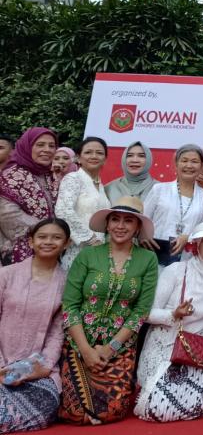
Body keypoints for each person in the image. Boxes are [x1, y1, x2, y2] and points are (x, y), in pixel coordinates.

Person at [59, 197, 158, 425]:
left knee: (112, 411)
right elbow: (70, 305)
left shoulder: (148, 259)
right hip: (79, 341)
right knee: (74, 411)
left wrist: (110, 349)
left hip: (119, 345)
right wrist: (86, 350)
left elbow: (141, 310)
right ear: (107, 224)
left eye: (128, 221)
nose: (120, 226)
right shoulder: (87, 255)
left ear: (137, 227)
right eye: (115, 219)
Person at [134, 221, 203, 422]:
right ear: (196, 244)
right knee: (156, 409)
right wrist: (174, 314)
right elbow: (146, 313)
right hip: (166, 347)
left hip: (201, 351)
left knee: (201, 405)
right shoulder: (176, 270)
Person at [0, 218, 68, 433]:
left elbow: (58, 332)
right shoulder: (6, 274)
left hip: (37, 370)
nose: (48, 242)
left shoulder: (67, 282)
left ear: (66, 243)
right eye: (42, 237)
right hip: (0, 363)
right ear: (31, 242)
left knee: (43, 408)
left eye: (56, 237)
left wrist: (42, 366)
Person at [141, 144, 203, 266]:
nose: (189, 166)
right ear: (176, 164)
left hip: (189, 261)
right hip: (154, 258)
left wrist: (189, 238)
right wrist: (143, 236)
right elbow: (143, 220)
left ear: (202, 166)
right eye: (184, 160)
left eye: (194, 161)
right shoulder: (159, 190)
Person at [0, 127, 59, 265]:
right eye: (40, 145)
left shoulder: (49, 176)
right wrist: (49, 229)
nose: (47, 149)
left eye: (52, 146)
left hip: (50, 249)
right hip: (19, 252)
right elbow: (8, 215)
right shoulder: (10, 175)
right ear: (27, 146)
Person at [55, 136, 110, 269]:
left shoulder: (100, 186)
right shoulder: (73, 178)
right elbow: (63, 211)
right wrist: (90, 240)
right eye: (88, 152)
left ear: (105, 159)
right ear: (78, 158)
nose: (94, 156)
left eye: (99, 153)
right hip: (78, 248)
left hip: (100, 250)